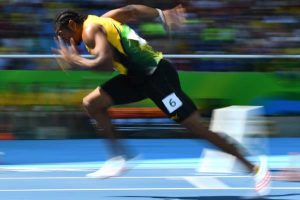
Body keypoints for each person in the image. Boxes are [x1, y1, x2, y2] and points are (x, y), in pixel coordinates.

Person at [53, 4, 270, 195]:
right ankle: (118, 158)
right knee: (92, 103)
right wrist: (161, 14)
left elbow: (104, 64)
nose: (62, 39)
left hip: (157, 77)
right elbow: (130, 11)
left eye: (62, 34)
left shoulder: (91, 30)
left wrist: (76, 60)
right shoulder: (105, 18)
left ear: (72, 24)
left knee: (196, 128)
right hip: (136, 78)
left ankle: (256, 169)